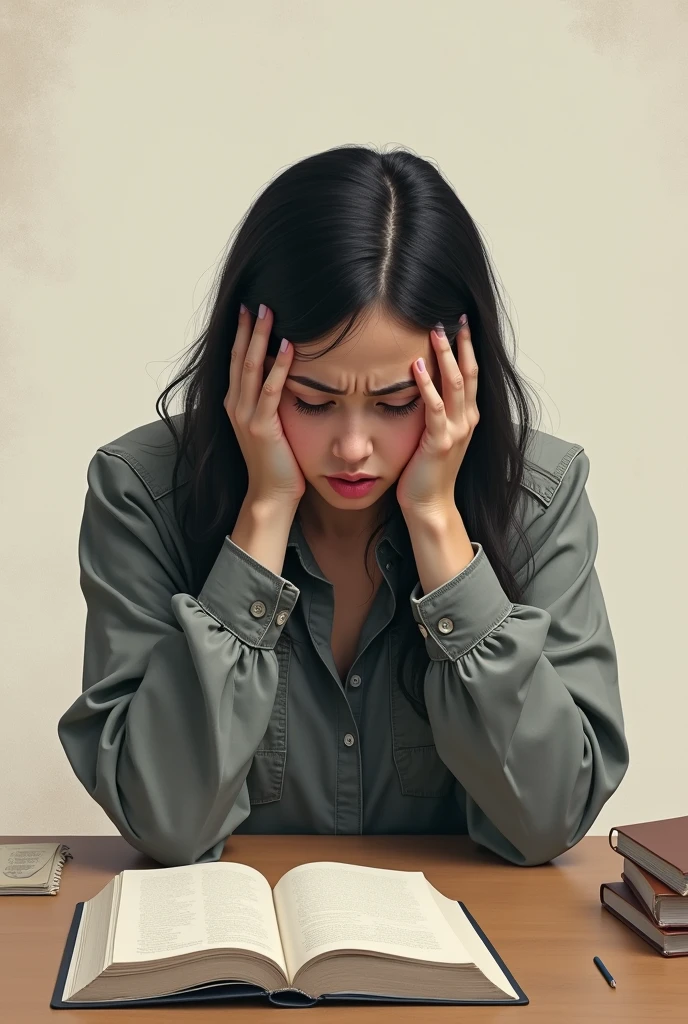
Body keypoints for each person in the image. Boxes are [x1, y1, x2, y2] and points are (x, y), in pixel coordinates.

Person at [57, 144, 629, 868]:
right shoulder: (140, 493)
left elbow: (547, 820)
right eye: (313, 401)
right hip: (237, 962)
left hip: (476, 957)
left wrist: (437, 526)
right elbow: (164, 819)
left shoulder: (539, 498)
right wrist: (264, 512)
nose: (353, 446)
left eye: (395, 404)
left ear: (461, 377)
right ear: (249, 366)